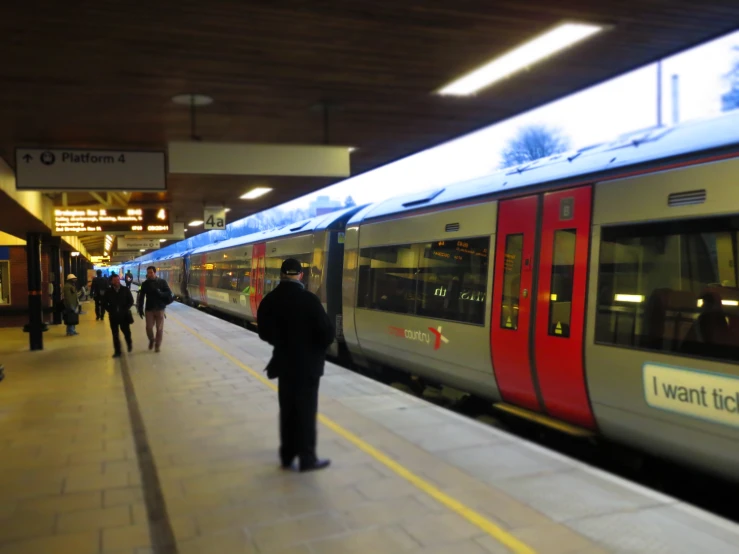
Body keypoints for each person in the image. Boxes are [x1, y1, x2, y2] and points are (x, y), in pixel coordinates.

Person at [257, 258, 334, 472]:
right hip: (308, 366)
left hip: (283, 362)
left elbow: (263, 332)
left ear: (281, 274)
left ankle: (287, 456)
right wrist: (313, 347)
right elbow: (327, 333)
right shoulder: (309, 300)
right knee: (306, 411)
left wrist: (281, 342)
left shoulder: (270, 300)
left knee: (288, 408)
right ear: (300, 275)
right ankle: (307, 458)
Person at [137, 265, 173, 353]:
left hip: (160, 308)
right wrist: (140, 308)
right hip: (149, 309)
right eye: (148, 273)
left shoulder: (162, 282)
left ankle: (157, 345)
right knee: (149, 327)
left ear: (155, 272)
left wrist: (160, 293)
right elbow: (141, 297)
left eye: (151, 273)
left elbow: (168, 292)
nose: (149, 274)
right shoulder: (145, 284)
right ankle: (151, 339)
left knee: (159, 329)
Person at [103, 274, 134, 358]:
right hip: (113, 316)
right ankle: (117, 351)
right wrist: (110, 310)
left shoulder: (125, 290)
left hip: (124, 315)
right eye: (115, 280)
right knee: (115, 334)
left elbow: (131, 301)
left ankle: (129, 343)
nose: (117, 282)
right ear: (111, 281)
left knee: (126, 332)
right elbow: (104, 303)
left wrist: (125, 309)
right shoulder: (108, 291)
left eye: (118, 280)